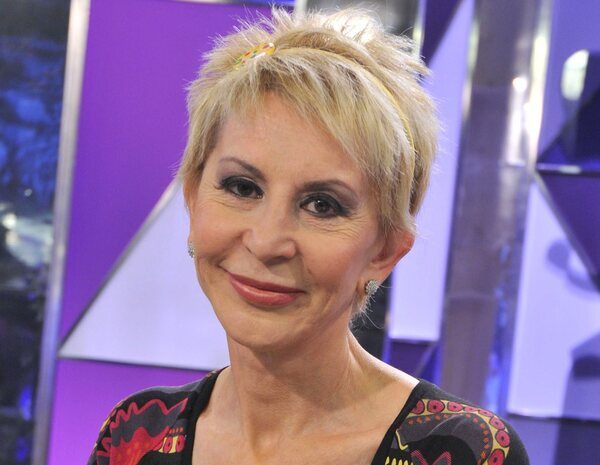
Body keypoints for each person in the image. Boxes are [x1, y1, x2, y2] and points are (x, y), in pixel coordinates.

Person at [88, 7, 529, 465]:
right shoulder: (136, 434)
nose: (267, 242)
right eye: (243, 187)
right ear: (193, 198)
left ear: (384, 252)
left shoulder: (465, 452)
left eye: (322, 205)